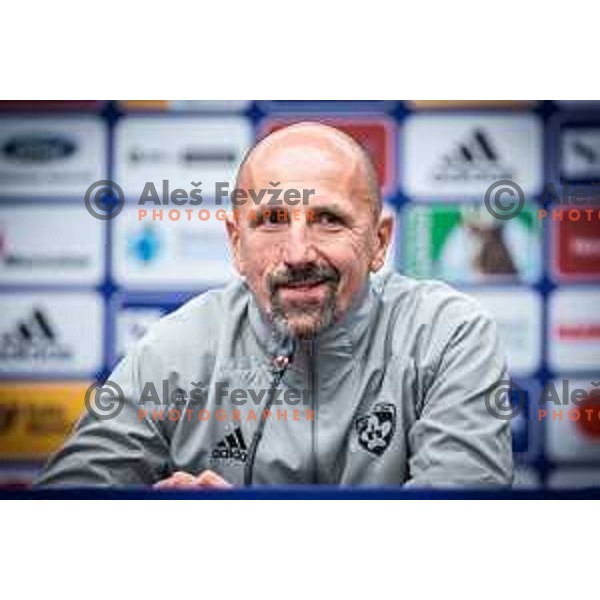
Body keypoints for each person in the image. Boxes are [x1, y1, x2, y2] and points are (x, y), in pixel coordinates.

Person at [36, 122, 513, 488]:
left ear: (379, 241)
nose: (299, 253)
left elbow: (462, 526)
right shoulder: (177, 348)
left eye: (328, 219)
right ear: (236, 244)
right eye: (272, 220)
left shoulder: (447, 335)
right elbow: (62, 508)